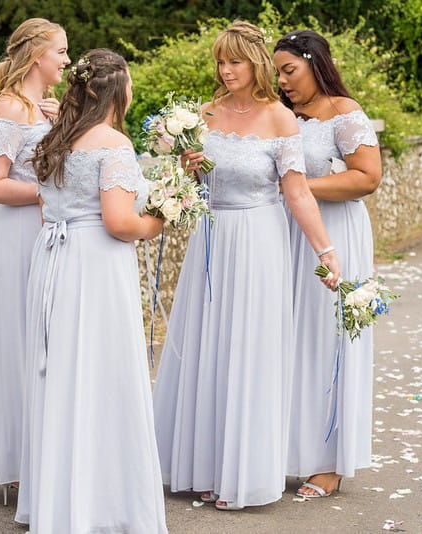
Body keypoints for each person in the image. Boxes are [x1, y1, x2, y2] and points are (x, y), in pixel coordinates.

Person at [153, 21, 341, 511]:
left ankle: (244, 470)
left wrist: (325, 251)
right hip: (212, 240)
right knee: (206, 347)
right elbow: (184, 187)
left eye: (233, 61)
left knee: (247, 350)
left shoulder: (280, 118)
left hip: (260, 241)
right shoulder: (203, 114)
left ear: (254, 63)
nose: (225, 70)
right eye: (219, 61)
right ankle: (203, 466)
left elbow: (296, 192)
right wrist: (186, 168)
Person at [14, 48, 168, 533]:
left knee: (60, 373)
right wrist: (159, 221)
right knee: (102, 375)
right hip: (95, 266)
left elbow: (46, 209)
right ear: (117, 89)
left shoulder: (57, 137)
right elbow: (121, 222)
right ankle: (102, 505)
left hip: (54, 257)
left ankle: (60, 503)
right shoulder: (113, 144)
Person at [0, 18, 69, 501]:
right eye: (61, 52)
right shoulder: (9, 108)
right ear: (37, 57)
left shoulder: (51, 107)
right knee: (17, 342)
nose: (67, 61)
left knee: (47, 344)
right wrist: (44, 196)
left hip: (48, 235)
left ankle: (45, 453)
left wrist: (64, 119)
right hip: (17, 236)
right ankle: (16, 461)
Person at [273, 29, 382, 498]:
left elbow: (367, 177)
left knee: (326, 338)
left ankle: (328, 461)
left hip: (335, 233)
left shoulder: (344, 112)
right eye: (277, 73)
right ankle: (285, 448)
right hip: (286, 235)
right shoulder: (278, 115)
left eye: (289, 71)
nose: (282, 81)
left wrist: (298, 187)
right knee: (287, 338)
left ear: (315, 62)